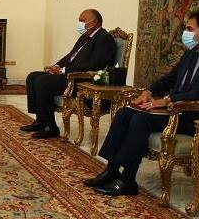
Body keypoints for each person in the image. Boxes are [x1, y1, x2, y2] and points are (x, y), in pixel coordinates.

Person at [84, 12, 199, 196]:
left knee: (140, 120)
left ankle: (128, 180)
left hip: (190, 117)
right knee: (124, 113)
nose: (185, 33)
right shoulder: (190, 53)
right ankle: (111, 170)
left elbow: (196, 93)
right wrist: (149, 92)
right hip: (173, 111)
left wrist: (167, 100)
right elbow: (170, 79)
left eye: (189, 29)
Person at [21, 9, 117, 139]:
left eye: (82, 20)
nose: (80, 24)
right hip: (70, 74)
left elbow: (95, 65)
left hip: (83, 80)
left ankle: (51, 127)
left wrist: (64, 70)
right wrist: (57, 66)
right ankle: (41, 121)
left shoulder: (104, 38)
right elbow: (70, 56)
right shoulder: (84, 37)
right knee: (32, 77)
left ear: (94, 22)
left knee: (43, 82)